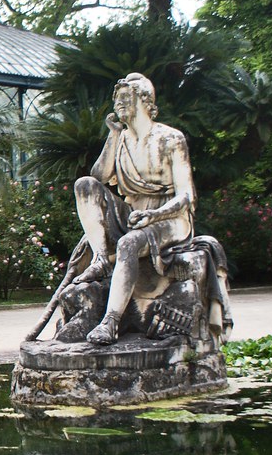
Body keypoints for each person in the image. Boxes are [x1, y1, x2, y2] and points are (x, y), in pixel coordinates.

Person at [72, 72, 195, 345]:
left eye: (125, 98)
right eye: (116, 100)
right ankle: (100, 258)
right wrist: (113, 137)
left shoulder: (170, 139)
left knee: (128, 244)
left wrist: (155, 215)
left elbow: (187, 196)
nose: (118, 104)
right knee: (85, 185)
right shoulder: (121, 138)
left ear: (144, 100)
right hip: (134, 214)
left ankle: (110, 322)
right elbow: (99, 177)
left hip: (170, 217)